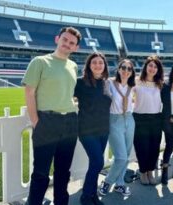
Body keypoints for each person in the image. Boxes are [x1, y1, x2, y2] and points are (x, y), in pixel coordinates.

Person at [22, 26, 81, 205]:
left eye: (72, 43)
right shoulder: (40, 62)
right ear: (57, 39)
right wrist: (36, 122)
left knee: (63, 171)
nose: (67, 44)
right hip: (47, 121)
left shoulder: (74, 66)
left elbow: (68, 93)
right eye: (65, 40)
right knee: (40, 173)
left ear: (76, 48)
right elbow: (29, 93)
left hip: (70, 121)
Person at [74, 52, 111, 205]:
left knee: (94, 164)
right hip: (87, 130)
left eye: (100, 63)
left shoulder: (106, 83)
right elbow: (64, 95)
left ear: (104, 66)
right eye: (94, 62)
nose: (98, 65)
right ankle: (86, 197)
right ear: (89, 65)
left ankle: (92, 195)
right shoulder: (80, 83)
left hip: (103, 129)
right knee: (97, 162)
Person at [98, 59, 136, 196]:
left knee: (126, 155)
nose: (126, 71)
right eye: (123, 67)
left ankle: (120, 184)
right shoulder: (109, 83)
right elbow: (100, 98)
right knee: (121, 157)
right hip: (114, 120)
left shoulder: (133, 86)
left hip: (130, 119)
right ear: (119, 69)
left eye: (129, 69)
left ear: (132, 72)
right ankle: (107, 182)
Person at [133, 55, 164, 185]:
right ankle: (143, 172)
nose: (152, 68)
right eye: (150, 65)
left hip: (156, 118)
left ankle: (150, 171)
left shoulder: (160, 84)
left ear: (158, 70)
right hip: (140, 119)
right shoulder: (136, 81)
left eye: (155, 66)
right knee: (142, 147)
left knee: (154, 148)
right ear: (145, 67)